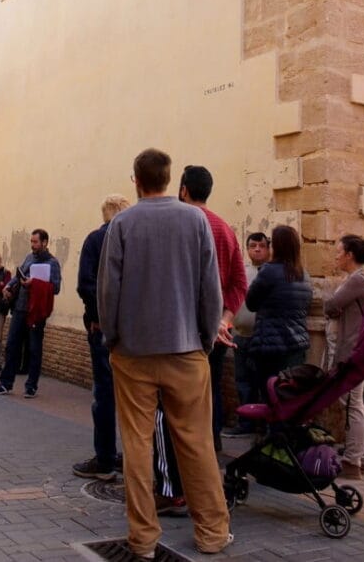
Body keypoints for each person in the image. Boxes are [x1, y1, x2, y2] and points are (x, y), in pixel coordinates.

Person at [98, 148, 232, 559]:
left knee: (137, 447)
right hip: (186, 348)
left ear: (136, 180)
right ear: (170, 179)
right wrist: (206, 338)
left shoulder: (121, 223)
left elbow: (108, 291)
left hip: (133, 352)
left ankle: (142, 540)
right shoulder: (195, 220)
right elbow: (211, 288)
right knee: (196, 442)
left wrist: (113, 338)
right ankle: (211, 532)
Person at [152, 164, 247, 515]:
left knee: (166, 411)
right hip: (214, 337)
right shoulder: (224, 228)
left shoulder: (179, 224)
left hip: (179, 336)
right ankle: (203, 486)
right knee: (203, 411)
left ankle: (172, 489)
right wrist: (223, 320)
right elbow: (239, 283)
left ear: (183, 190)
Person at [73, 194, 130, 481]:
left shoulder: (95, 240)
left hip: (103, 330)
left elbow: (86, 285)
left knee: (105, 393)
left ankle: (106, 459)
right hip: (135, 330)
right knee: (136, 396)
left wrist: (98, 317)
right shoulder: (136, 238)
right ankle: (133, 458)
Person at [324, 234, 364, 479]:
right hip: (362, 348)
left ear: (349, 255)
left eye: (338, 252)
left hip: (352, 349)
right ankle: (362, 459)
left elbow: (331, 305)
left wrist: (332, 305)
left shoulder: (357, 279)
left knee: (352, 404)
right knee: (357, 403)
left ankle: (353, 460)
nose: (335, 256)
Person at [0, 228, 61, 398]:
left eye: (35, 242)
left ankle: (31, 386)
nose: (33, 245)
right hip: (20, 309)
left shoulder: (52, 263)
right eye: (31, 242)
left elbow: (56, 287)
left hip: (36, 312)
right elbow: (17, 276)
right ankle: (6, 383)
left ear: (44, 242)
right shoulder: (29, 258)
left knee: (34, 349)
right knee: (12, 345)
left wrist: (34, 283)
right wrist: (8, 286)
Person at [246, 224, 312, 401]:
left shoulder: (269, 271)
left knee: (271, 394)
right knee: (289, 394)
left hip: (270, 345)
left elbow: (251, 302)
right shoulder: (303, 274)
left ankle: (273, 429)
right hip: (297, 344)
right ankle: (285, 428)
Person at [224, 232, 271, 435]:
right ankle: (246, 424)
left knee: (264, 383)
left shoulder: (271, 272)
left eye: (262, 245)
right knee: (242, 382)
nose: (257, 249)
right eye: (253, 246)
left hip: (263, 338)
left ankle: (265, 426)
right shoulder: (243, 271)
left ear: (269, 248)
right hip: (240, 334)